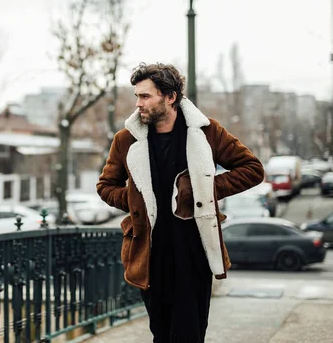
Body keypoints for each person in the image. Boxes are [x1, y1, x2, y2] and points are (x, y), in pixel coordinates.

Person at [97, 63, 264, 342]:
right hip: (149, 253)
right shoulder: (126, 140)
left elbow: (252, 169)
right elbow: (105, 186)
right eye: (137, 96)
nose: (138, 103)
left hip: (194, 251)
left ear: (170, 97)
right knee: (161, 334)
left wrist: (204, 189)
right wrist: (135, 200)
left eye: (145, 96)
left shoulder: (206, 132)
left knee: (190, 334)